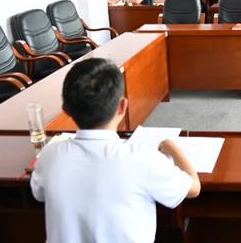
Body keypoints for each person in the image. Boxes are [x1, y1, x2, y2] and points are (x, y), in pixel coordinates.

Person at [30, 58, 200, 242]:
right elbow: (193, 188)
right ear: (122, 107)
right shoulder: (142, 158)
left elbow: (38, 194)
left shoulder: (49, 155)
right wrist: (175, 151)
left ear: (66, 110)